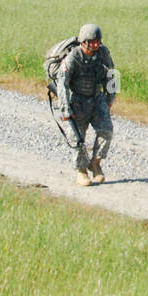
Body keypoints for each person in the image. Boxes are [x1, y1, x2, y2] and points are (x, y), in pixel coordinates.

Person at [57, 23, 116, 186]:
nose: (96, 45)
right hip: (78, 101)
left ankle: (95, 163)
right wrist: (65, 108)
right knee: (78, 138)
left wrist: (110, 98)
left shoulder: (103, 53)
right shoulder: (73, 57)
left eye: (98, 41)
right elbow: (62, 83)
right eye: (93, 42)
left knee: (107, 130)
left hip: (97, 98)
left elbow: (112, 73)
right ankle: (81, 171)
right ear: (84, 42)